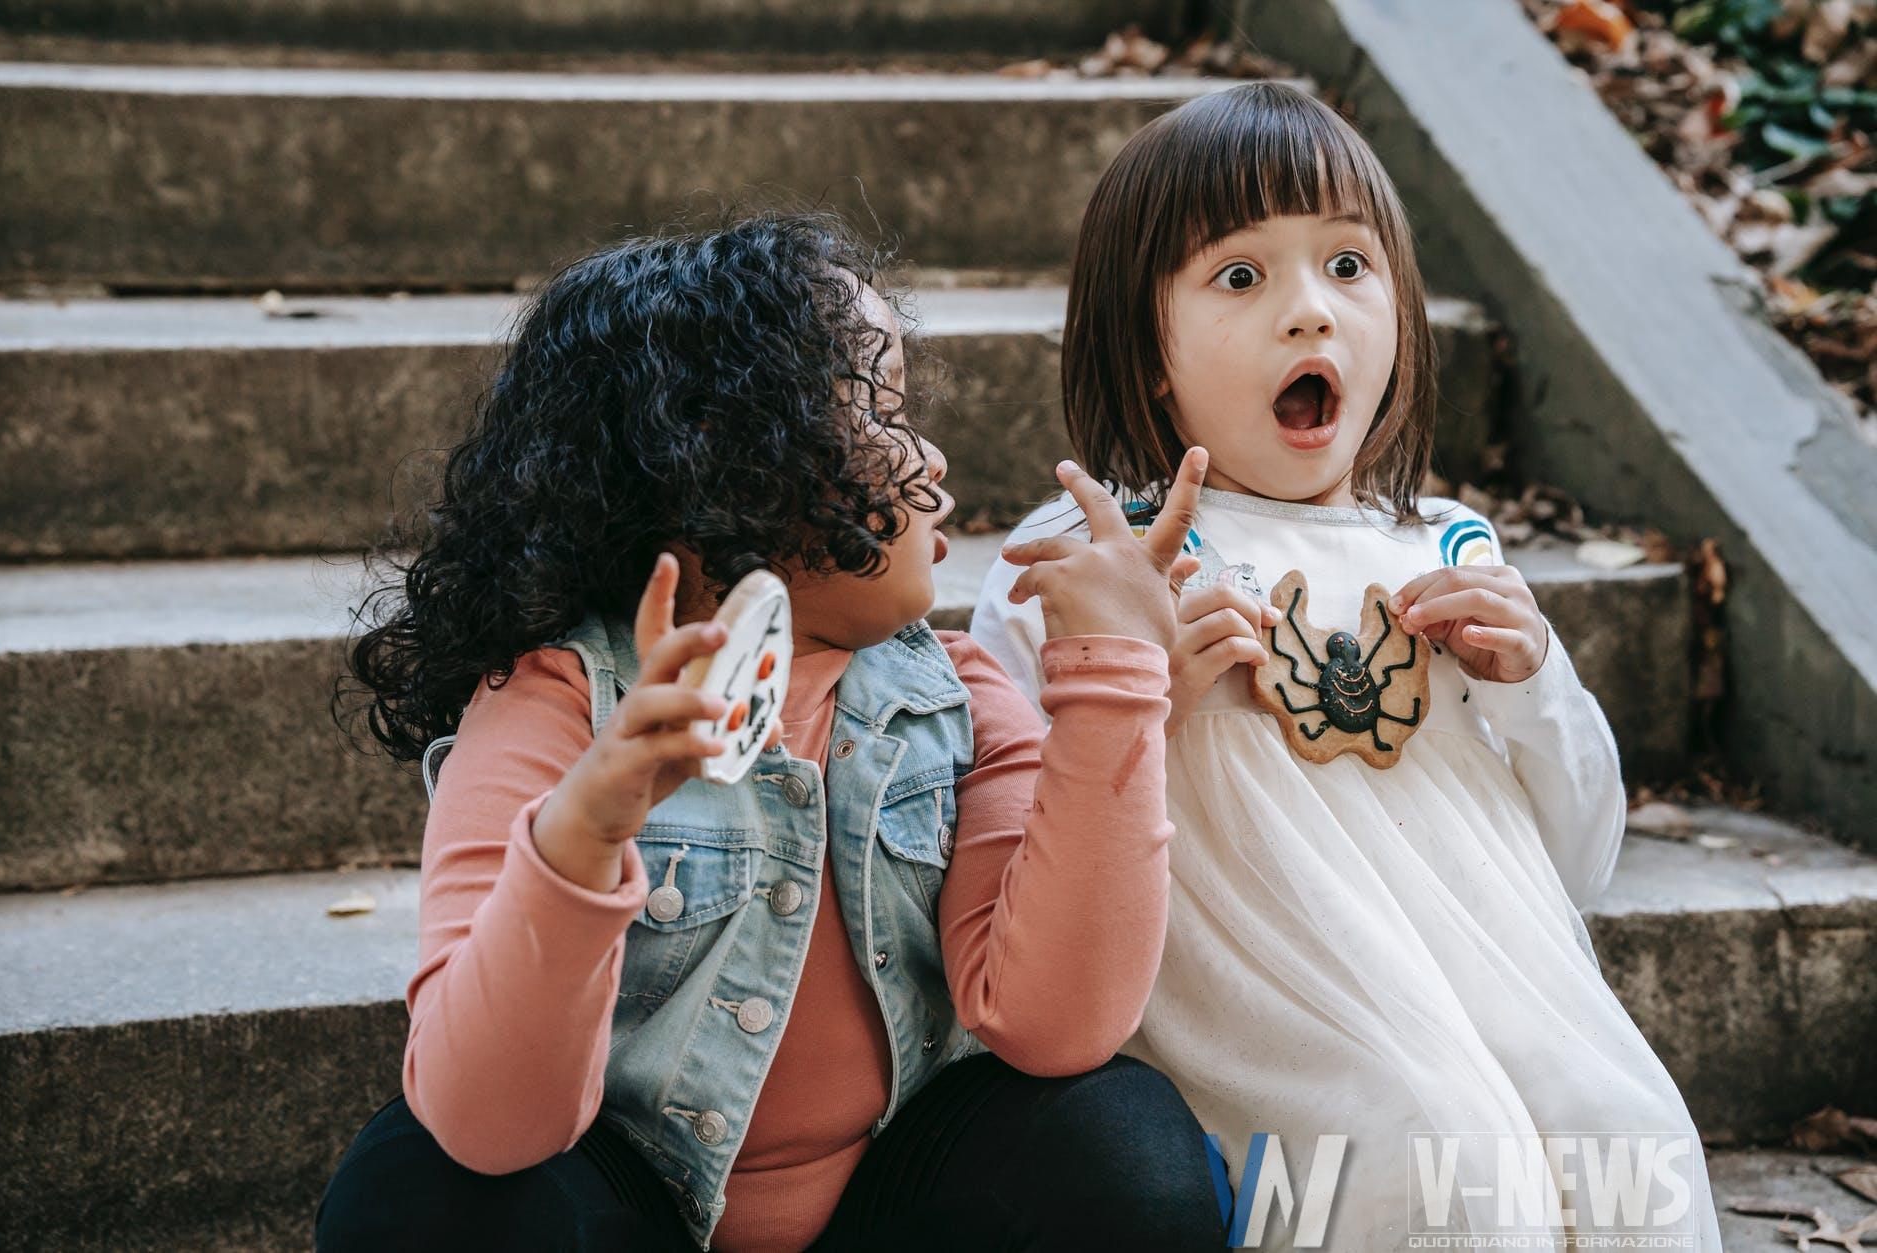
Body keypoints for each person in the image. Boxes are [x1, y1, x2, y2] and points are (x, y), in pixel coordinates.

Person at [317, 208, 1227, 1252]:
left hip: (891, 1210)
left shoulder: (959, 691)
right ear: (731, 454)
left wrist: (1113, 684)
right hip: (631, 1210)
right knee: (415, 1188)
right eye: (880, 411)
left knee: (1120, 1140)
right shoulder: (553, 703)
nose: (932, 460)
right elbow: (487, 1123)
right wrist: (586, 827)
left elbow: (1057, 1025)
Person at [969, 83, 1724, 1249]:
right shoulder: (1091, 558)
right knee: (1437, 1159)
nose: (1308, 313)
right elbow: (1008, 873)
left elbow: (1578, 858)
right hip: (1275, 1016)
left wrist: (1532, 685)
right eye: (1239, 275)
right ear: (1146, 351)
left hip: (1499, 991)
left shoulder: (1446, 546)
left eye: (1347, 267)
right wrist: (1131, 695)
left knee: (1631, 1142)